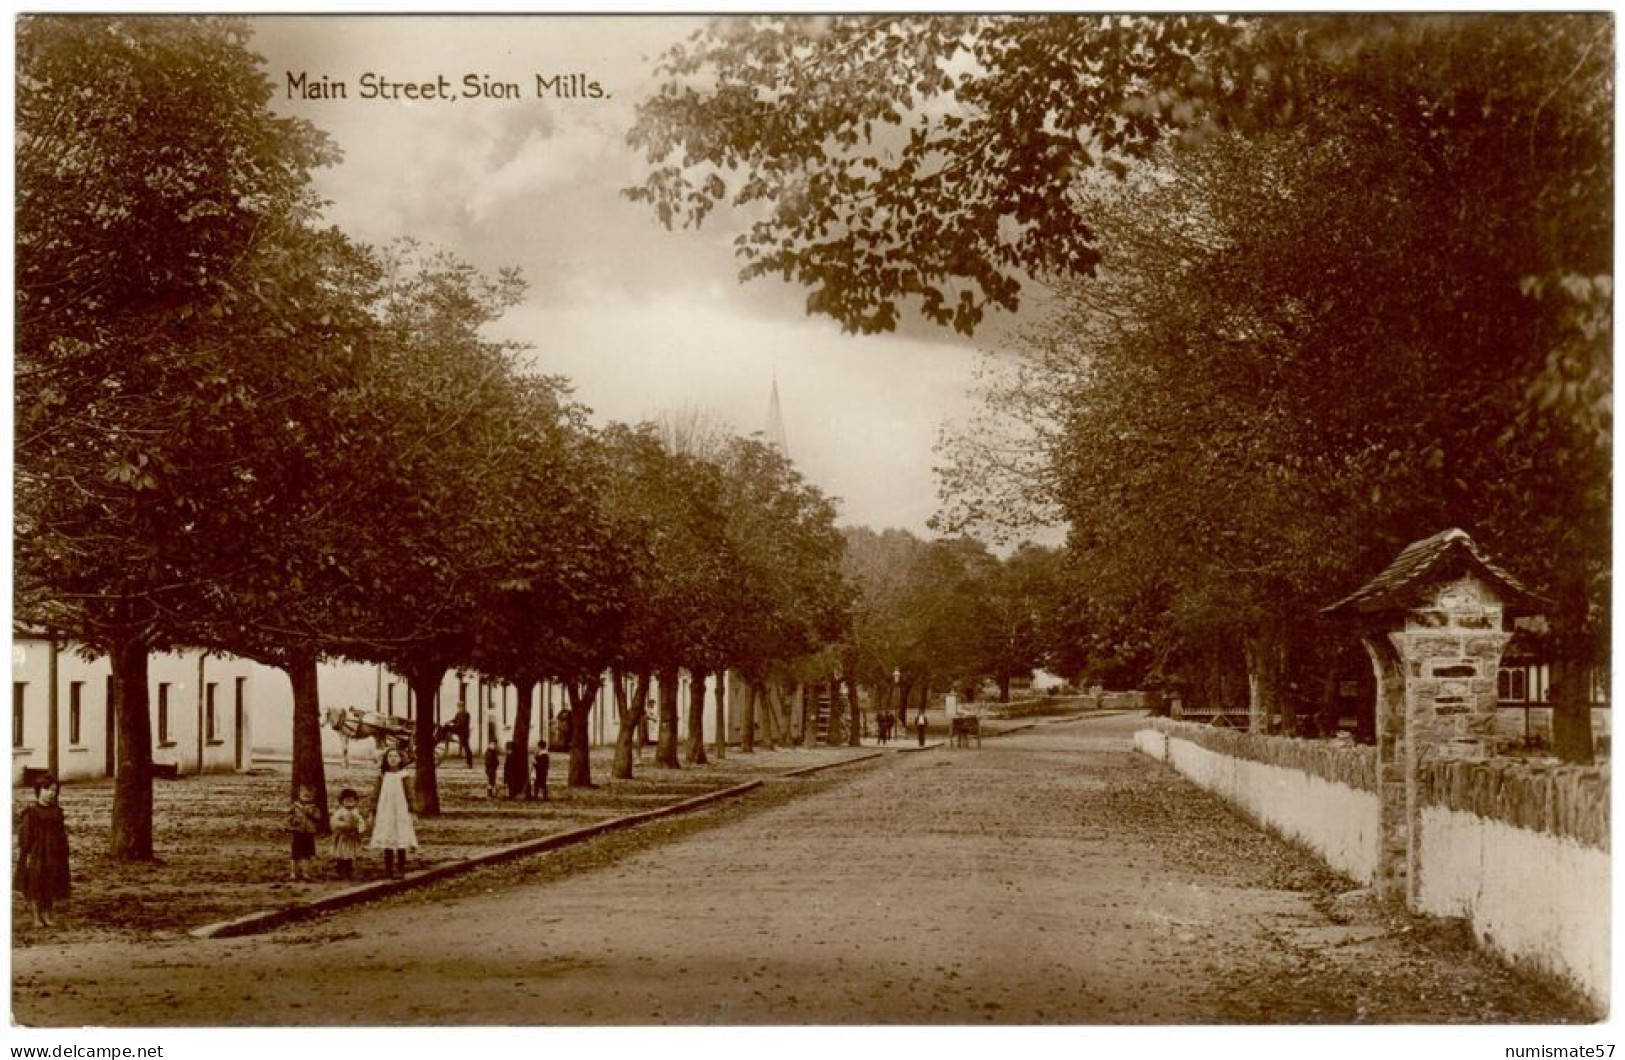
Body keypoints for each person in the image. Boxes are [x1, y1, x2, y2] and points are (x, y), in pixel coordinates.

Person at [15, 773, 70, 927]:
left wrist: (63, 850)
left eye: (54, 790)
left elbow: (61, 833)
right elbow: (26, 835)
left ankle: (47, 913)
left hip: (53, 852)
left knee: (50, 881)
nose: (51, 793)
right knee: (35, 883)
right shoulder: (31, 812)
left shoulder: (57, 812)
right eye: (47, 790)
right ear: (39, 791)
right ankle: (35, 916)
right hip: (37, 853)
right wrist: (26, 853)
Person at [370, 748, 418, 879]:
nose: (392, 759)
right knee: (388, 835)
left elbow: (410, 794)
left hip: (401, 810)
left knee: (401, 835)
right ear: (385, 759)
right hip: (386, 810)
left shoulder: (404, 775)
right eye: (389, 756)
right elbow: (376, 793)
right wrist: (372, 810)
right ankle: (388, 868)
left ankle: (401, 868)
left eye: (395, 756)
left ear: (400, 759)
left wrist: (413, 811)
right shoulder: (382, 776)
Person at [329, 787, 367, 880]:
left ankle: (349, 870)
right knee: (342, 854)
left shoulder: (356, 813)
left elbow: (361, 823)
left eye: (352, 801)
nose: (349, 803)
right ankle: (340, 869)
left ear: (355, 802)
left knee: (350, 854)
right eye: (347, 801)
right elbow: (333, 822)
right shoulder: (340, 812)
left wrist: (359, 829)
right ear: (342, 802)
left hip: (352, 837)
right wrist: (343, 825)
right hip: (343, 837)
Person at [288, 784, 321, 881]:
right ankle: (293, 873)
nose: (307, 798)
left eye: (309, 796)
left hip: (309, 833)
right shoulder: (295, 807)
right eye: (305, 795)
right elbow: (288, 818)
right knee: (295, 854)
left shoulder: (314, 808)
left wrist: (311, 813)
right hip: (298, 833)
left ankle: (305, 873)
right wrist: (293, 820)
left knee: (307, 854)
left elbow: (318, 818)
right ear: (299, 795)